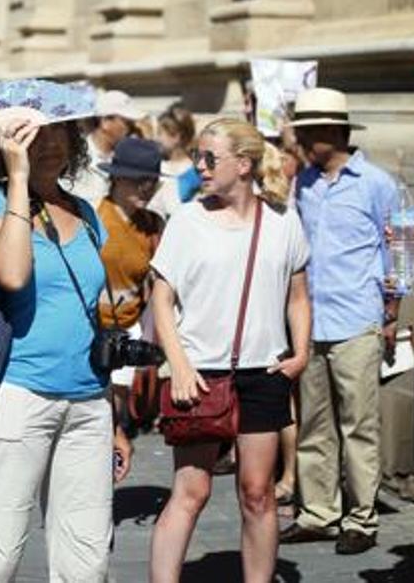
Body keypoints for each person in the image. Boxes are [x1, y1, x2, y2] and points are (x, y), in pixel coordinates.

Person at [0, 116, 117, 582]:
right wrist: (18, 180)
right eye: (30, 136)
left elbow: (92, 315)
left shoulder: (83, 210)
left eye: (57, 132)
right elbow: (11, 272)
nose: (47, 144)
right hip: (17, 394)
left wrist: (114, 412)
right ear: (1, 145)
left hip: (89, 401)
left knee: (87, 559)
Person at [147, 118, 312, 583]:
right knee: (191, 489)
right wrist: (177, 363)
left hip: (264, 371)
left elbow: (298, 295)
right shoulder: (188, 220)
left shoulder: (283, 222)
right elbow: (161, 298)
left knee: (257, 492)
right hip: (200, 371)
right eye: (198, 156)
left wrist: (300, 352)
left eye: (209, 158)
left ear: (243, 165)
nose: (199, 166)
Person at [282, 88, 399, 555]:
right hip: (312, 322)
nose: (303, 141)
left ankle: (361, 518)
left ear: (334, 131)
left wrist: (392, 310)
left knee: (359, 425)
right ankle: (318, 512)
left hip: (357, 318)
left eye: (309, 132)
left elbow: (402, 247)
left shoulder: (377, 183)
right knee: (313, 423)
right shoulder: (302, 184)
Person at [94, 137, 166, 473]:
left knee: (117, 414)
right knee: (102, 419)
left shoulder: (153, 225)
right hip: (95, 330)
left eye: (151, 181)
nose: (147, 188)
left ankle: (106, 476)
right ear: (117, 178)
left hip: (134, 330)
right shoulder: (93, 219)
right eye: (139, 180)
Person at [64, 89, 147, 204]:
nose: (133, 130)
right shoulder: (74, 159)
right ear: (105, 121)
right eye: (127, 123)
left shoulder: (127, 159)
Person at [149, 106, 200, 217]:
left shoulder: (196, 170)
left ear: (176, 137)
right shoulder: (157, 165)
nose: (156, 139)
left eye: (160, 133)